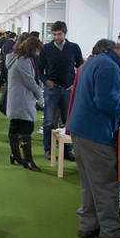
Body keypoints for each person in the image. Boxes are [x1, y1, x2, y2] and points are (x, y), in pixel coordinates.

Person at [67, 42, 120, 238]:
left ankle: (88, 225)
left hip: (81, 130)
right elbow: (107, 103)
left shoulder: (96, 61)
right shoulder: (109, 67)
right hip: (95, 133)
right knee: (106, 185)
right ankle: (111, 232)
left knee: (89, 184)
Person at [38, 21, 83, 160]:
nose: (56, 37)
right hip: (52, 90)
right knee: (49, 121)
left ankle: (66, 151)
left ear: (65, 33)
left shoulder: (74, 48)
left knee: (68, 121)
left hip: (68, 89)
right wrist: (46, 81)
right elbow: (39, 70)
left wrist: (75, 84)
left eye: (59, 34)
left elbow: (81, 67)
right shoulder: (46, 49)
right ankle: (48, 150)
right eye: (54, 34)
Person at [5, 37, 44, 172]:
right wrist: (39, 93)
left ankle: (15, 154)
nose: (38, 53)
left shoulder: (14, 58)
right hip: (22, 98)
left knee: (15, 127)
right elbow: (29, 81)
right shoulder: (24, 61)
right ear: (32, 49)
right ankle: (28, 160)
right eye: (38, 50)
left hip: (16, 98)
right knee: (27, 127)